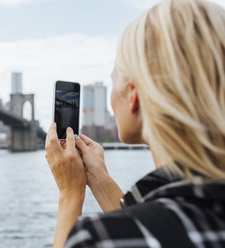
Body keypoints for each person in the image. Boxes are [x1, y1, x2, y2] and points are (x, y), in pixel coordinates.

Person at [44, 0, 225, 247]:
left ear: (133, 95)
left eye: (114, 78)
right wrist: (99, 179)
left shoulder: (99, 238)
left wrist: (70, 194)